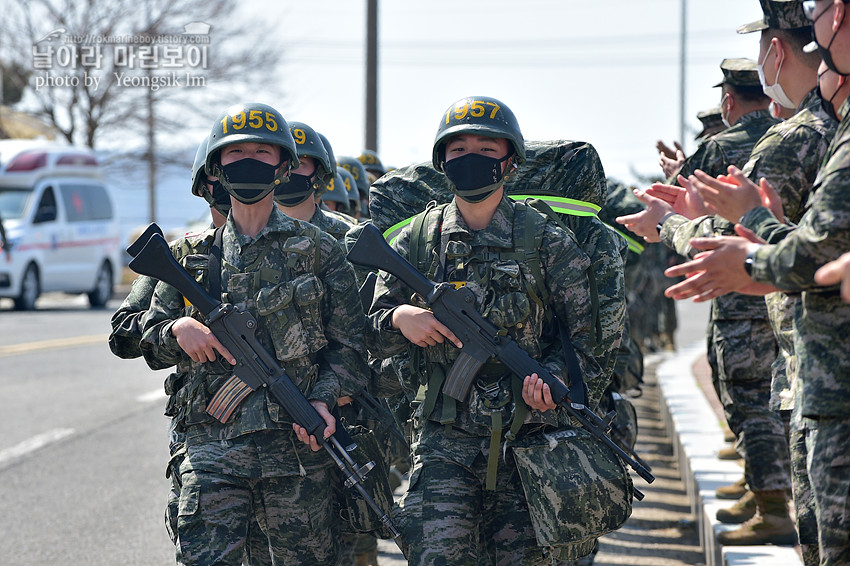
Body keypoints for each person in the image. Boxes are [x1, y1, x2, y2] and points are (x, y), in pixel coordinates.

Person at [367, 96, 614, 565]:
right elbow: (368, 331)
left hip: (530, 443)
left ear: (510, 161)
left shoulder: (546, 241)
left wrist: (554, 379)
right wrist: (402, 319)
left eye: (486, 147)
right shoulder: (415, 241)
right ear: (442, 161)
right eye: (458, 150)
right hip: (444, 442)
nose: (472, 159)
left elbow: (585, 340)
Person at [139, 102, 370, 566]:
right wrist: (176, 329)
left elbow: (351, 348)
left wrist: (323, 399)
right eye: (235, 152)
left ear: (284, 166)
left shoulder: (321, 251)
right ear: (217, 168)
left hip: (297, 452)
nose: (248, 161)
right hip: (211, 450)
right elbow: (141, 335)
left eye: (262, 152)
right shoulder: (190, 257)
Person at [661, 6, 850, 559]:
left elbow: (808, 251)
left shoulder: (801, 136)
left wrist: (746, 228)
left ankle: (767, 503)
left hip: (828, 378)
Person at [617, 53, 800, 546]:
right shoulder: (794, 134)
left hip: (737, 284)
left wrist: (679, 176)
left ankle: (771, 501)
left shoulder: (724, 144)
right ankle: (765, 489)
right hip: (784, 282)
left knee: (744, 389)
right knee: (776, 392)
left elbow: (679, 196)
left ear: (727, 100)